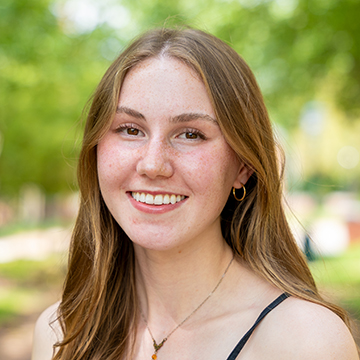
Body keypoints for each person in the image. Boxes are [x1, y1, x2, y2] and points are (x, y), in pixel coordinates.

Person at [32, 27, 359, 360]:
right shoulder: (59, 334)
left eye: (190, 134)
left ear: (243, 166)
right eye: (130, 129)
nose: (153, 164)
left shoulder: (307, 343)